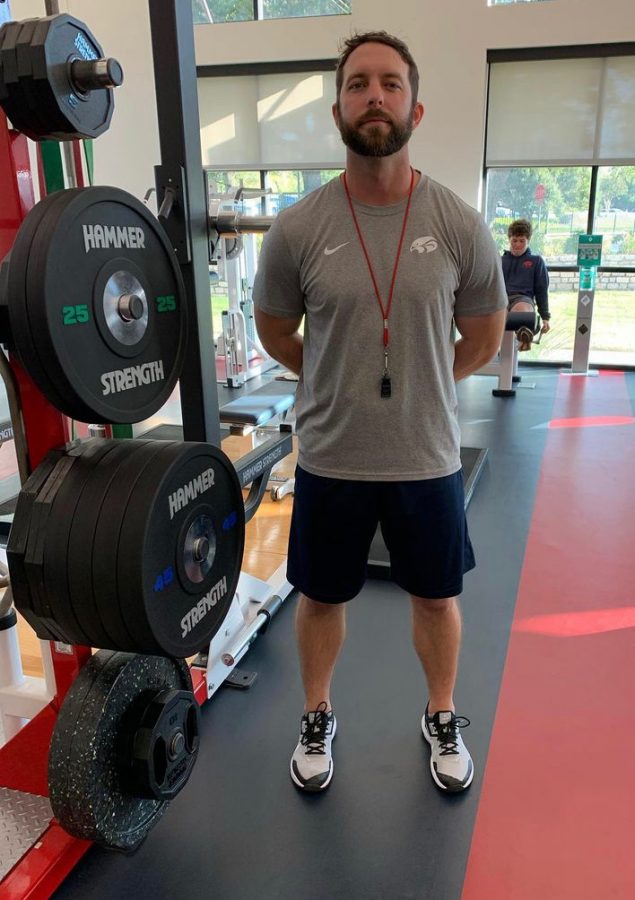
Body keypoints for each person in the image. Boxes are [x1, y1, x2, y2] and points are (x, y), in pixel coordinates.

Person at [253, 31, 507, 795]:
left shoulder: (459, 223)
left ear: (415, 107)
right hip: (331, 455)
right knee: (321, 597)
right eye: (358, 83)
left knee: (436, 595)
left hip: (425, 454)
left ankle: (439, 714)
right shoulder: (299, 228)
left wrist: (422, 377)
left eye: (389, 84)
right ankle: (316, 713)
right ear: (337, 108)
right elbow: (274, 331)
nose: (374, 96)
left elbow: (485, 335)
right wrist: (336, 378)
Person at [501, 218, 551, 351]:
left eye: (522, 241)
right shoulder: (500, 261)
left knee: (521, 311)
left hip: (522, 299)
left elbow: (541, 291)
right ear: (509, 239)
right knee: (500, 312)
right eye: (514, 240)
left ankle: (524, 334)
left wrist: (545, 317)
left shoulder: (536, 261)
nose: (517, 244)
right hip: (501, 299)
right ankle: (522, 334)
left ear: (528, 241)